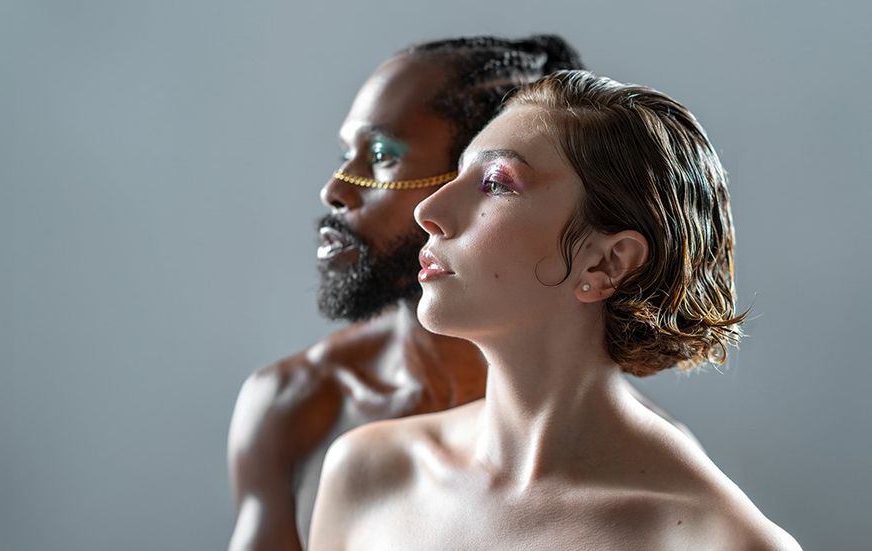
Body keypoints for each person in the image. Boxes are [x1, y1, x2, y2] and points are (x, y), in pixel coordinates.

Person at [228, 37, 690, 550]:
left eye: (381, 156)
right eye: (346, 154)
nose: (334, 190)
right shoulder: (304, 408)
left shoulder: (668, 499)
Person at [308, 70, 801, 550]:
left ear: (606, 262)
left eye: (496, 183)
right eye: (459, 174)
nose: (427, 211)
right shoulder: (368, 473)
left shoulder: (719, 541)